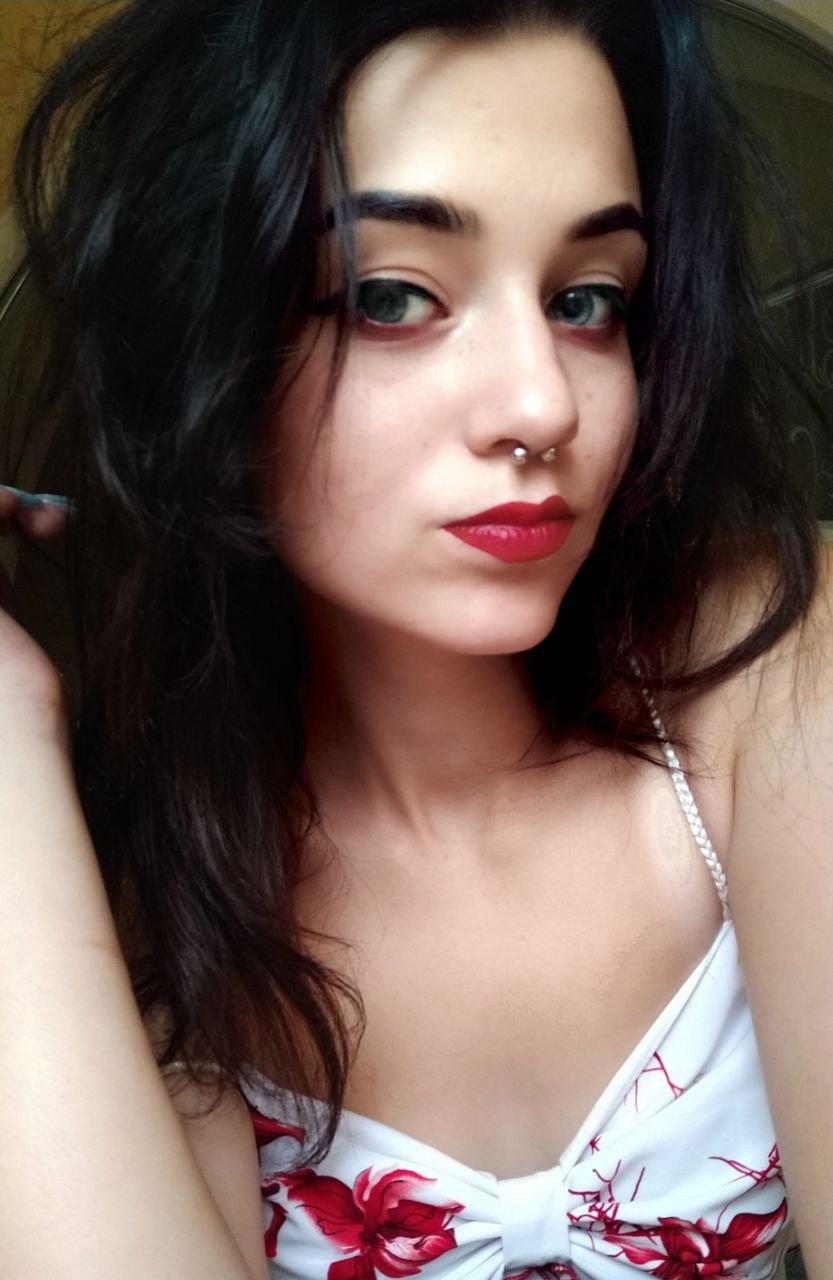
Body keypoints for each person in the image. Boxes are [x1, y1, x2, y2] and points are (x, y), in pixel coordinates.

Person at [0, 0, 830, 1277]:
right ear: (204, 345)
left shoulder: (772, 655)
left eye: (587, 299)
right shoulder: (162, 873)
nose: (541, 404)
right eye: (392, 295)